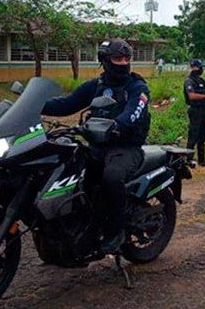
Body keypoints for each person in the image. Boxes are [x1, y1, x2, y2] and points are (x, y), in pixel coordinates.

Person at [42, 38, 150, 253]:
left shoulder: (137, 87)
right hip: (98, 146)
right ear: (105, 60)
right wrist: (34, 105)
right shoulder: (97, 86)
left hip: (126, 148)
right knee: (67, 169)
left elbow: (134, 113)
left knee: (112, 177)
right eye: (117, 58)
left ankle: (116, 231)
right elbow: (67, 104)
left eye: (126, 58)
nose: (123, 63)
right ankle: (79, 225)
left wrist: (117, 125)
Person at [183, 59, 205, 167]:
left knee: (202, 136)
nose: (202, 69)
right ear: (195, 67)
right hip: (195, 110)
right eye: (200, 67)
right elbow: (191, 96)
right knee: (193, 135)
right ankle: (188, 160)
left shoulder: (201, 81)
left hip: (203, 110)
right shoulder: (189, 81)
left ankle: (202, 160)